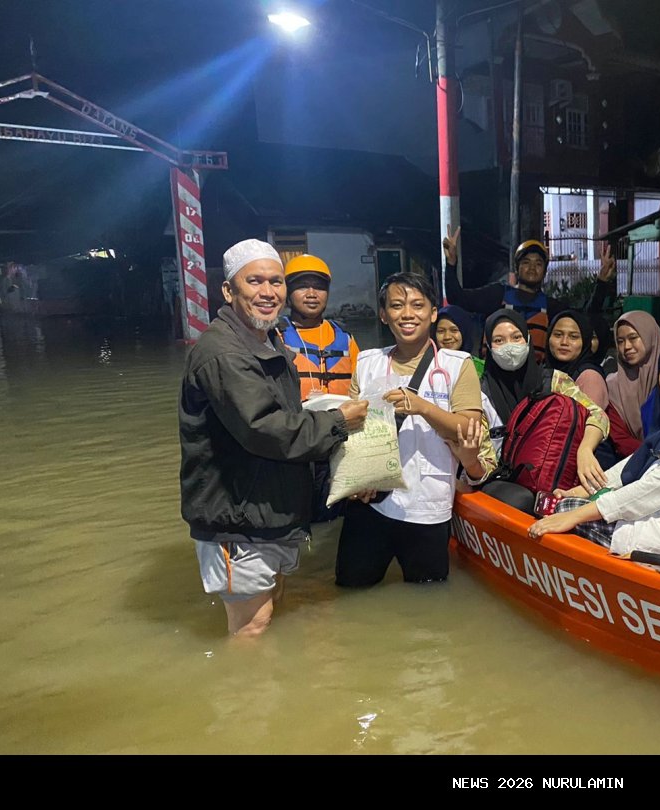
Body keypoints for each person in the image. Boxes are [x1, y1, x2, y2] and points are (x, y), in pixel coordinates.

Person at [179, 239, 368, 638]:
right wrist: (337, 422)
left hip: (267, 508)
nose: (268, 292)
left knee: (272, 604)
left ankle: (273, 695)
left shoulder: (266, 340)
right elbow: (263, 428)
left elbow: (284, 419)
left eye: (276, 282)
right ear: (229, 291)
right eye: (255, 281)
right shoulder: (224, 353)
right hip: (237, 513)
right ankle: (245, 696)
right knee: (252, 624)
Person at [528, 331, 660, 585]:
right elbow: (636, 463)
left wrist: (576, 514)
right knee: (556, 503)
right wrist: (581, 490)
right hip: (655, 521)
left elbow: (654, 487)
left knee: (562, 511)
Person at [335, 271, 483, 587]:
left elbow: (469, 427)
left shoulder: (458, 364)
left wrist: (423, 407)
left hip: (426, 507)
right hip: (370, 502)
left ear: (432, 313)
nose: (407, 314)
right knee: (351, 591)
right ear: (383, 314)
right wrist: (359, 477)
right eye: (397, 305)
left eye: (417, 305)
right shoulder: (367, 362)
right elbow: (352, 429)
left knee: (427, 604)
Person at [479, 308, 609, 492]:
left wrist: (585, 449)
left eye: (516, 337)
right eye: (499, 340)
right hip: (504, 486)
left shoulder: (554, 380)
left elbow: (598, 415)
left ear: (528, 340)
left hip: (551, 478)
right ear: (489, 348)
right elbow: (485, 465)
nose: (510, 346)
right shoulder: (481, 394)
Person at [441, 226, 567, 362]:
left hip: (534, 379)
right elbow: (457, 298)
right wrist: (451, 263)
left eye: (538, 264)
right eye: (526, 262)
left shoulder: (552, 308)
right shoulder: (497, 295)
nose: (532, 268)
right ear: (517, 269)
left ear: (544, 271)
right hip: (495, 378)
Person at [278, 253, 360, 401]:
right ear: (288, 293)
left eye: (319, 287)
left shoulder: (345, 338)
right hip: (298, 422)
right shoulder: (275, 336)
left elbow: (361, 388)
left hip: (342, 420)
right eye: (302, 287)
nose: (311, 294)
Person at [601, 310, 660, 462]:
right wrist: (653, 456)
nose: (626, 346)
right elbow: (620, 439)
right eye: (620, 341)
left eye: (633, 338)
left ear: (650, 337)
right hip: (632, 462)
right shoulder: (612, 386)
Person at [545, 309, 609, 410]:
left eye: (573, 337)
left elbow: (592, 422)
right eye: (558, 335)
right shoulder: (544, 371)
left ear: (585, 341)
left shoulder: (589, 378)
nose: (564, 342)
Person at [435, 303, 484, 375]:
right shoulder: (429, 365)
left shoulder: (480, 368)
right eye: (441, 331)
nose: (447, 337)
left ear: (465, 332)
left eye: (454, 330)